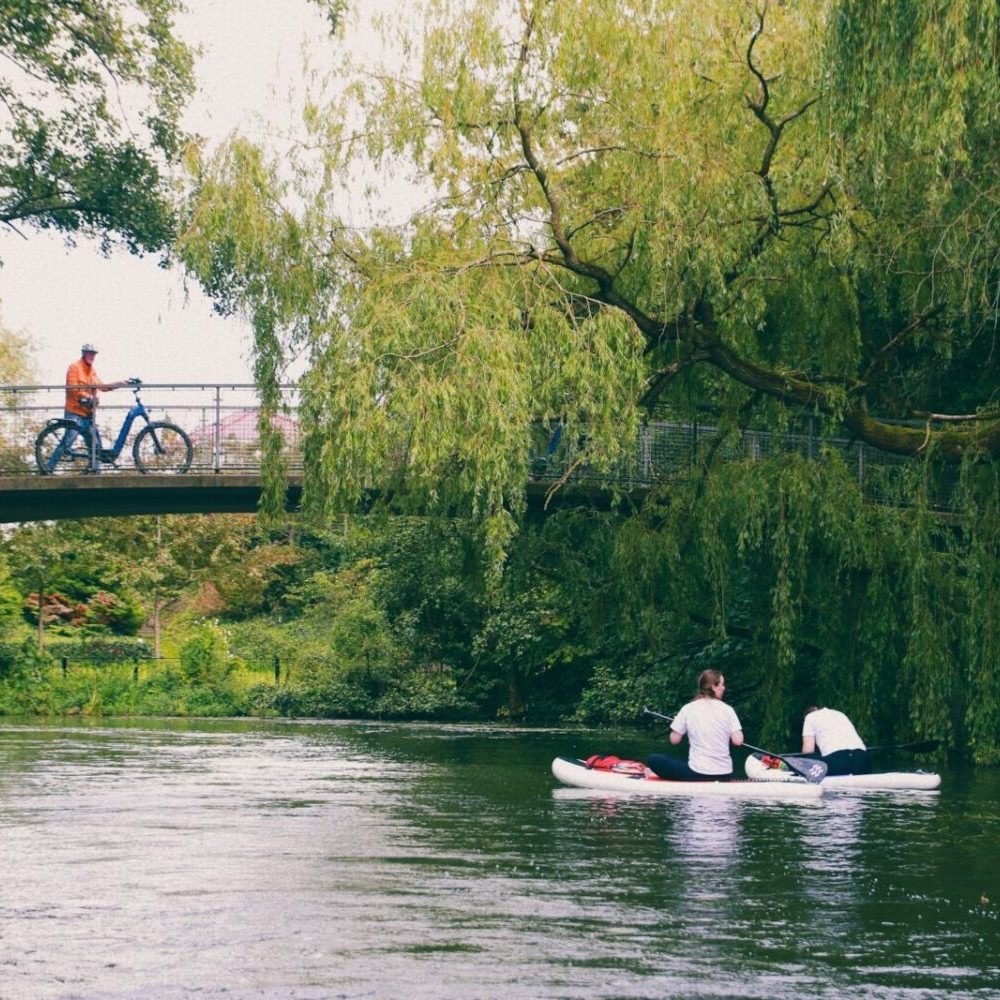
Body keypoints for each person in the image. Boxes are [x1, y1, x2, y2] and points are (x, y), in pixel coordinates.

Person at [647, 669, 744, 781]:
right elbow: (738, 741)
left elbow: (674, 740)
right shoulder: (728, 710)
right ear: (713, 687)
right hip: (725, 773)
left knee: (653, 759)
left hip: (698, 773)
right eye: (721, 684)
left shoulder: (688, 709)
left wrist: (676, 725)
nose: (724, 687)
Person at [48, 343, 127, 472]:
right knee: (68, 441)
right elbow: (72, 389)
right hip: (74, 411)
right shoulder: (74, 367)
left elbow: (102, 387)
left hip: (88, 414)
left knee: (96, 446)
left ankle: (95, 473)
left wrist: (121, 383)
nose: (92, 356)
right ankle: (48, 468)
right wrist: (89, 398)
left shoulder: (91, 371)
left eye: (94, 354)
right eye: (90, 353)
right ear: (84, 353)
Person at [801, 705, 870, 776]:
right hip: (861, 756)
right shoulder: (839, 713)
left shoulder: (809, 717)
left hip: (837, 759)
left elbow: (808, 751)